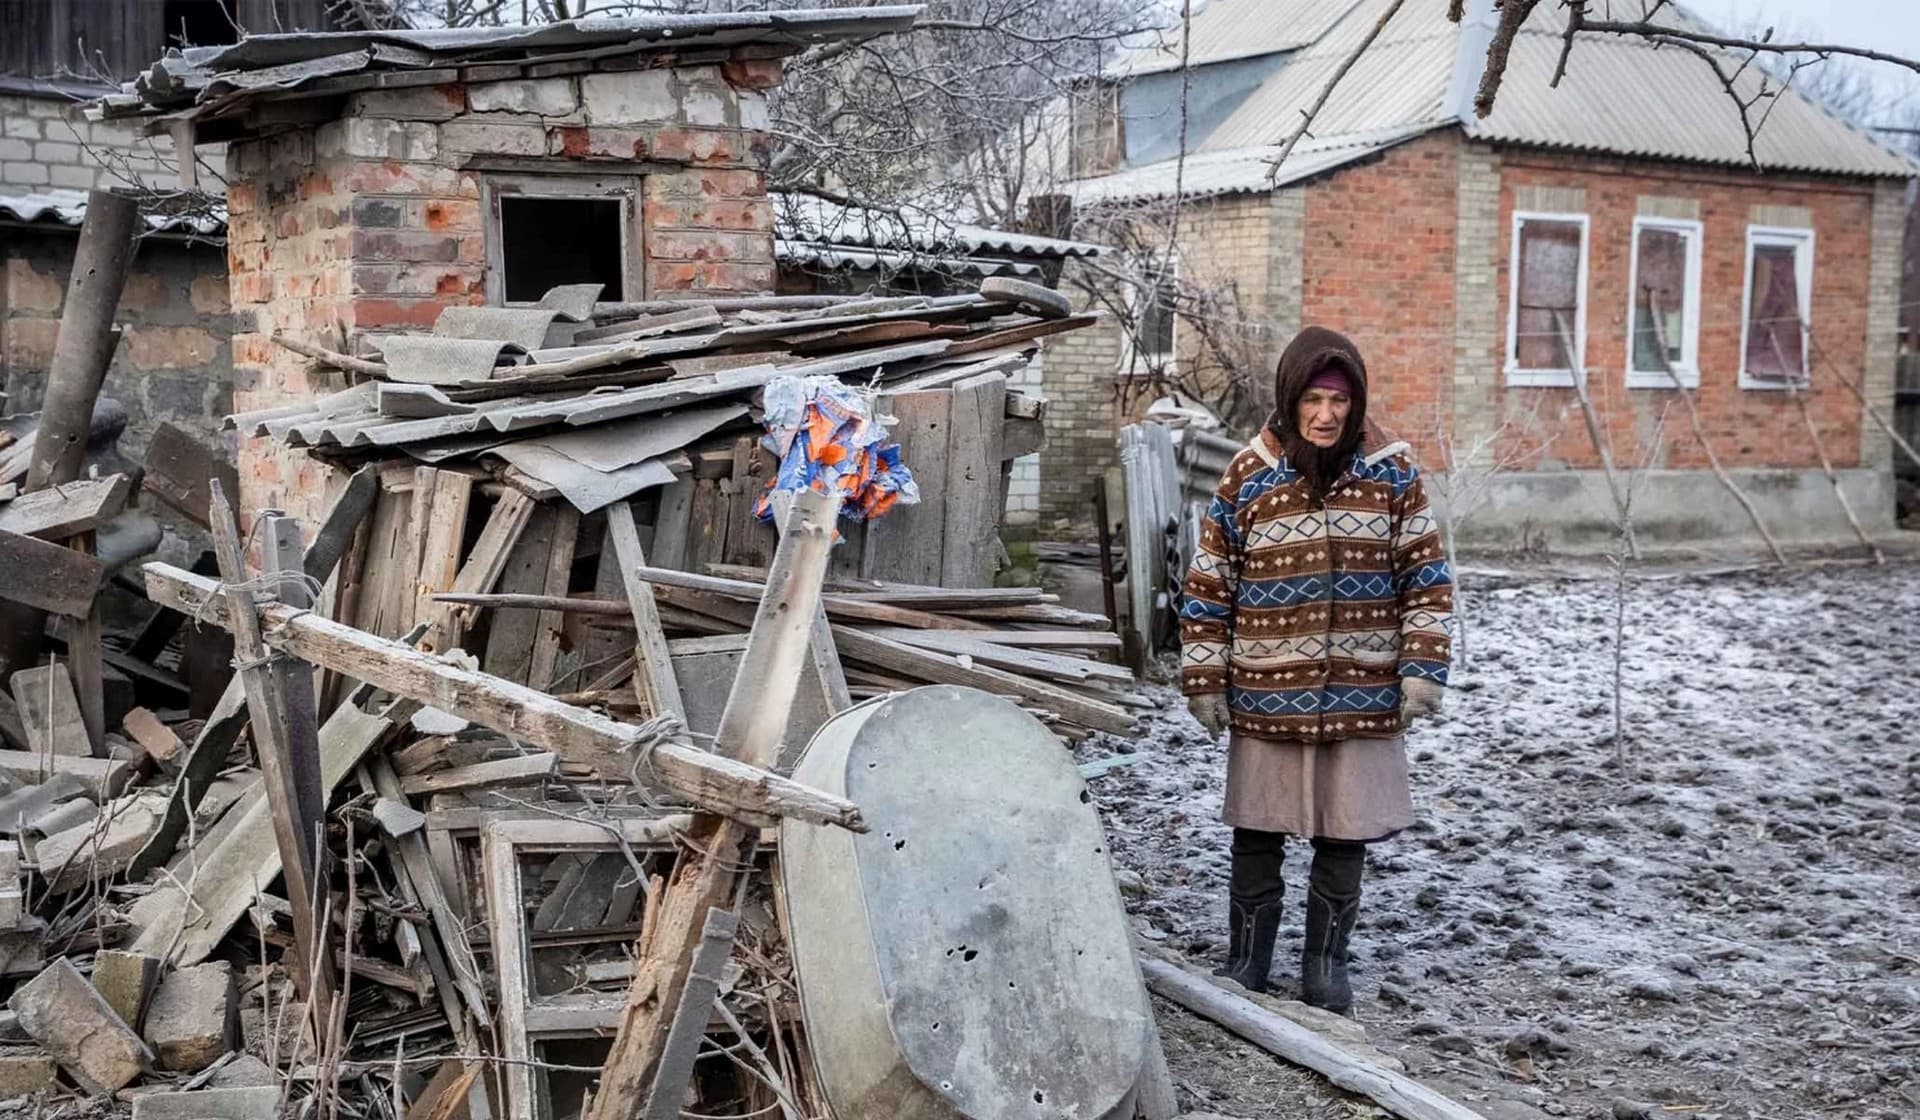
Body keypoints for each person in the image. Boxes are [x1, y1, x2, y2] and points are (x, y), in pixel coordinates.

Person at [1178, 326, 1453, 1014]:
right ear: (1290, 398)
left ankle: (1325, 966)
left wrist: (1422, 667)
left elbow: (1426, 578)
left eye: (1339, 400)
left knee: (1346, 826)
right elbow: (1210, 583)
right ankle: (1249, 959)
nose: (1326, 414)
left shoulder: (1393, 475)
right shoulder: (1249, 476)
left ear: (1356, 403)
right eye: (1313, 399)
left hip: (1362, 688)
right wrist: (1205, 678)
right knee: (1258, 826)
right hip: (1269, 685)